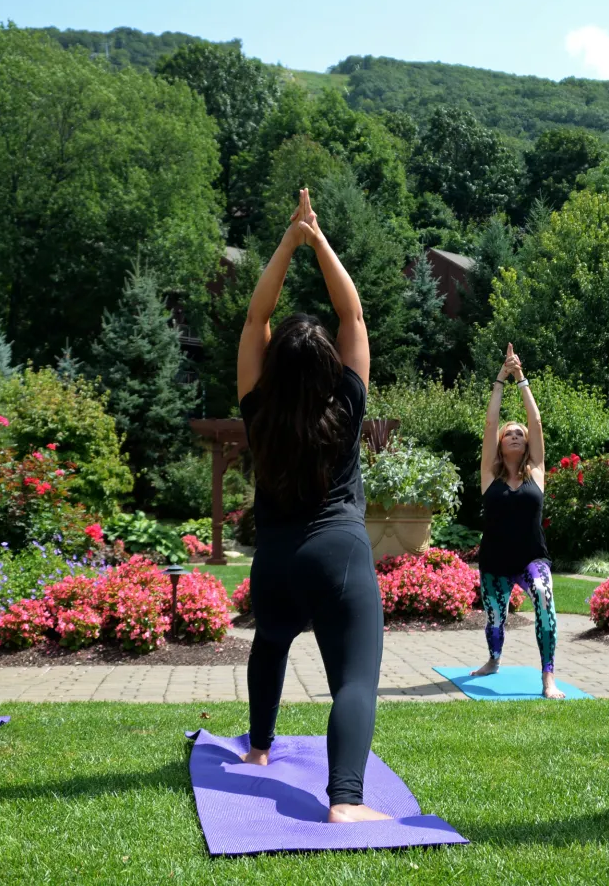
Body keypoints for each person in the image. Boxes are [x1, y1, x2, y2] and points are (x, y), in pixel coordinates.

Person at [235, 189, 389, 823]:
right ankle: (345, 802)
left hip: (273, 563)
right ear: (329, 366)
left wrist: (287, 240)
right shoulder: (345, 407)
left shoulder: (259, 410)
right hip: (338, 556)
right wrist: (316, 238)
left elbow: (253, 320)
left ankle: (260, 750)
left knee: (270, 643)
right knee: (354, 680)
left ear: (273, 367)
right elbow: (351, 317)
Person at [473, 342, 565, 698]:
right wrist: (501, 376)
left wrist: (521, 377)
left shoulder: (536, 472)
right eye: (509, 433)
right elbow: (490, 420)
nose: (514, 434)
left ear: (527, 446)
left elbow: (536, 421)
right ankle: (494, 660)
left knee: (543, 597)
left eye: (519, 434)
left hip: (531, 558)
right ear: (500, 444)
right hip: (494, 562)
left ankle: (548, 677)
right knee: (496, 618)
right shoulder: (489, 476)